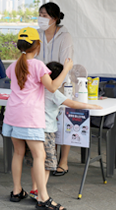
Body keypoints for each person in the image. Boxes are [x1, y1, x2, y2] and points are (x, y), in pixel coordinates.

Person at [2, 27, 73, 210]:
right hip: (29, 117)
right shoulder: (38, 65)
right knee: (39, 156)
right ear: (37, 45)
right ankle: (43, 198)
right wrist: (66, 70)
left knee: (18, 153)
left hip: (12, 115)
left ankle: (17, 191)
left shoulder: (13, 65)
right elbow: (52, 87)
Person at [27, 61, 103, 201]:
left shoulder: (35, 89)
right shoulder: (54, 92)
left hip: (31, 130)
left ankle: (34, 188)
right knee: (47, 164)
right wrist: (91, 105)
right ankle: (41, 192)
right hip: (46, 132)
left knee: (36, 162)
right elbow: (73, 104)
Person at [35, 2, 74, 176]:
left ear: (55, 18)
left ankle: (63, 161)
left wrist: (54, 83)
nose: (41, 18)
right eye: (40, 15)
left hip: (61, 84)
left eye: (45, 15)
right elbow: (33, 58)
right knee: (47, 122)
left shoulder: (65, 36)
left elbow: (66, 62)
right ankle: (48, 157)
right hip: (40, 85)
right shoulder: (37, 34)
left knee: (64, 122)